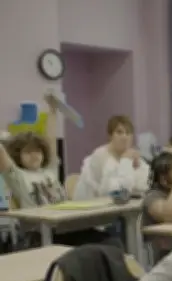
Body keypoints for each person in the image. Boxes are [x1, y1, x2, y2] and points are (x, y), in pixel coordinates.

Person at [0, 98, 120, 247]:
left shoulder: (50, 171)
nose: (34, 155)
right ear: (18, 155)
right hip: (43, 233)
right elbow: (3, 160)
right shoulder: (17, 176)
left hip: (67, 226)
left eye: (37, 151)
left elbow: (51, 140)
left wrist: (52, 110)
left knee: (112, 240)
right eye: (28, 152)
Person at [73, 115, 150, 200]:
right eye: (119, 132)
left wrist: (138, 167)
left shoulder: (132, 154)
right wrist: (126, 161)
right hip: (92, 208)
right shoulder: (100, 155)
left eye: (128, 133)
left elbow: (145, 186)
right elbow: (114, 191)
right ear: (110, 136)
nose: (124, 137)